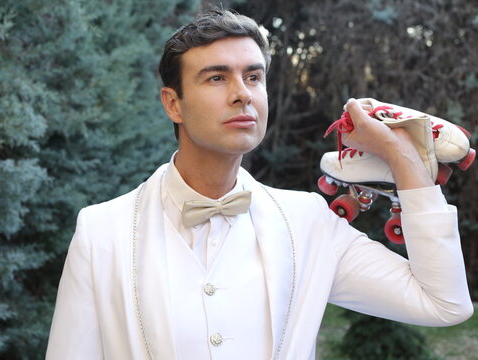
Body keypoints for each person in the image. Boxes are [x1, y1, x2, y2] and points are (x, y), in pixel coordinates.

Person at [46, 8, 473, 360]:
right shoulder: (102, 231)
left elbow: (443, 304)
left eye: (253, 77)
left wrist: (403, 160)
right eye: (216, 78)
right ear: (172, 103)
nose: (242, 94)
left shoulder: (307, 224)